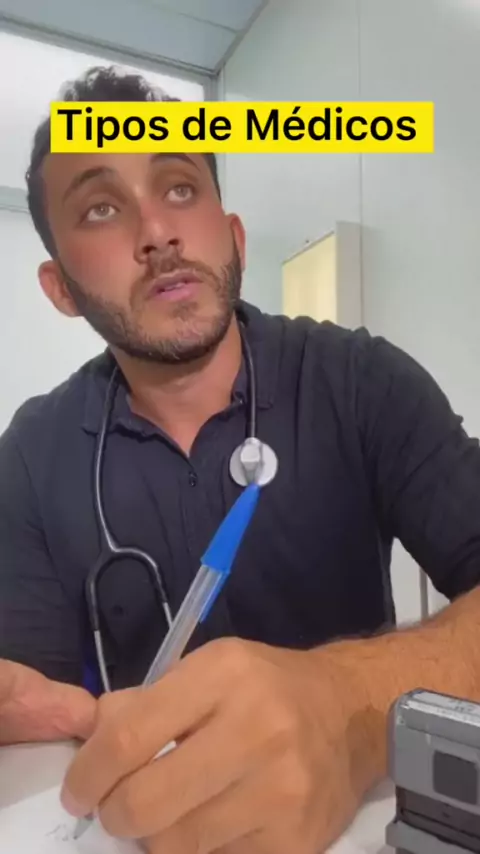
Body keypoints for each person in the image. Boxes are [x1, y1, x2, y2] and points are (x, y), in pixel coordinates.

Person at [1, 64, 480, 853]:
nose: (157, 233)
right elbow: (34, 714)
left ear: (235, 235)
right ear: (60, 289)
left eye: (179, 187)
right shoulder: (29, 457)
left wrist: (351, 706)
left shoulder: (361, 382)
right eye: (101, 208)